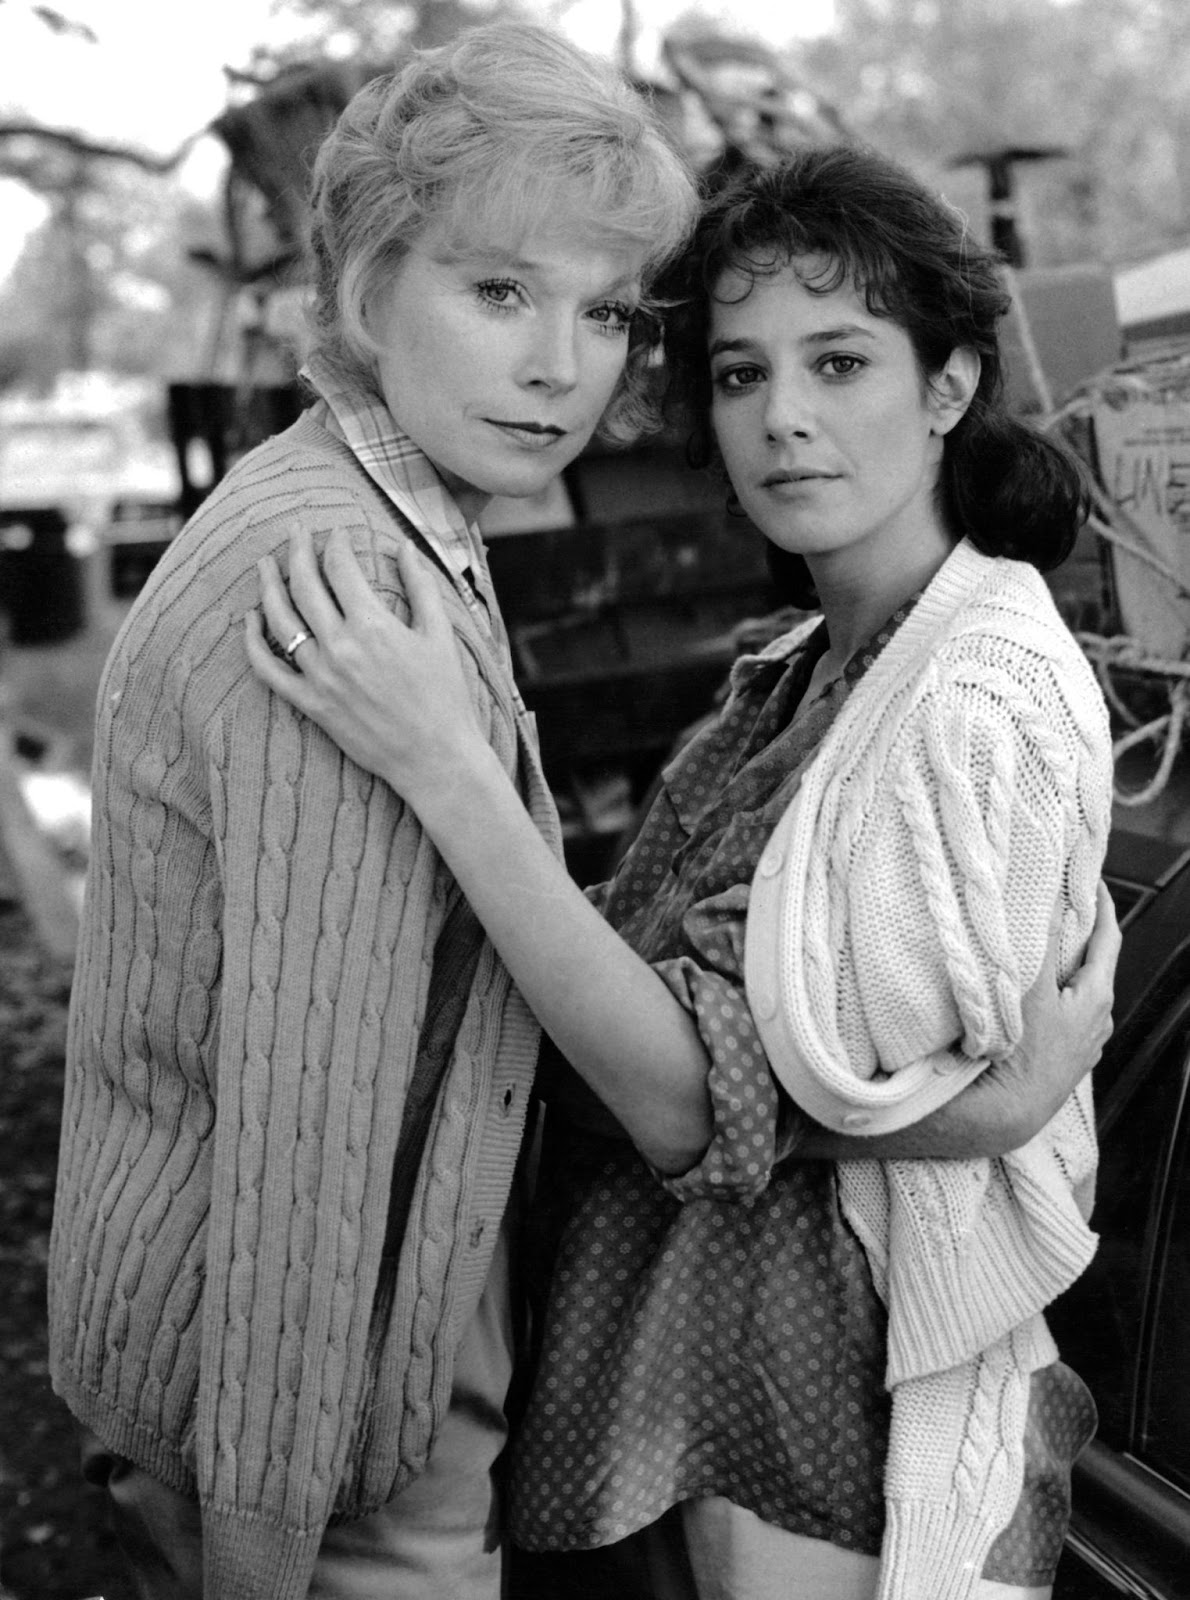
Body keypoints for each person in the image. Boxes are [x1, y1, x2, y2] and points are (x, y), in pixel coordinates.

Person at [245, 145, 1120, 1600]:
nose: (781, 419)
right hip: (667, 1380)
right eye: (735, 375)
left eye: (839, 363)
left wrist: (448, 769)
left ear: (950, 383)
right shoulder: (796, 670)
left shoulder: (962, 700)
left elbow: (672, 1092)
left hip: (792, 1423)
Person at [47, 22, 699, 1600]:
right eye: (498, 292)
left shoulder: (393, 516)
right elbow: (306, 1139)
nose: (564, 364)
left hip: (347, 1384)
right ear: (362, 290)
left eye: (603, 309)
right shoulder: (337, 587)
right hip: (312, 1447)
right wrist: (266, 1551)